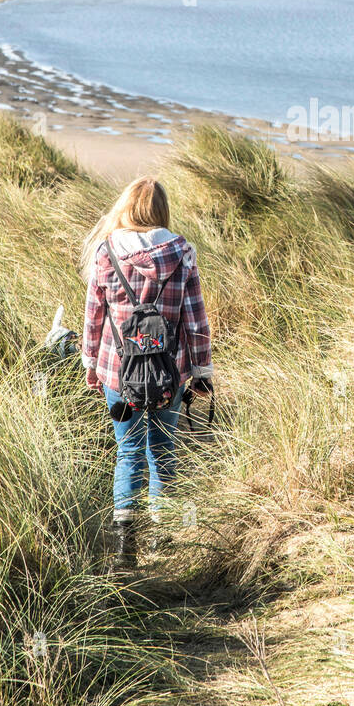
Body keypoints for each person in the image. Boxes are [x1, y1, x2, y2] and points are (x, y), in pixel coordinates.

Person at [81, 177, 212, 568]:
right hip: (170, 372)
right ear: (161, 212)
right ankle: (162, 538)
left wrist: (91, 363)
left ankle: (126, 548)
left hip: (119, 372)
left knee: (129, 450)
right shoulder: (182, 252)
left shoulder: (106, 253)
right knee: (163, 449)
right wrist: (202, 370)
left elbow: (93, 317)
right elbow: (195, 319)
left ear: (127, 207)